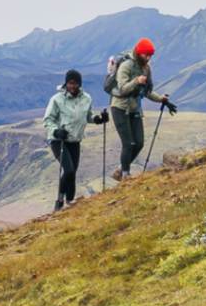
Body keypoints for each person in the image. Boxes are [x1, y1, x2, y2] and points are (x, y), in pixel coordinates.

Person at [107, 37, 175, 178]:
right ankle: (126, 175)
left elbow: (147, 91)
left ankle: (120, 170)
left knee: (139, 142)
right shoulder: (126, 66)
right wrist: (136, 81)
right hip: (120, 107)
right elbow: (122, 89)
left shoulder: (146, 68)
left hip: (134, 108)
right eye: (146, 55)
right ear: (139, 52)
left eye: (150, 55)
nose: (148, 58)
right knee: (128, 143)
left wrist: (161, 99)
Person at [41, 69, 105, 209]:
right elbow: (48, 120)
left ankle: (70, 201)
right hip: (59, 140)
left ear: (79, 84)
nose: (72, 86)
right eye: (70, 83)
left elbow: (88, 116)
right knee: (69, 170)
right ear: (66, 83)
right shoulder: (57, 99)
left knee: (73, 172)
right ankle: (59, 201)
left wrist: (98, 119)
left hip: (75, 140)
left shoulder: (86, 98)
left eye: (75, 83)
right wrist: (56, 131)